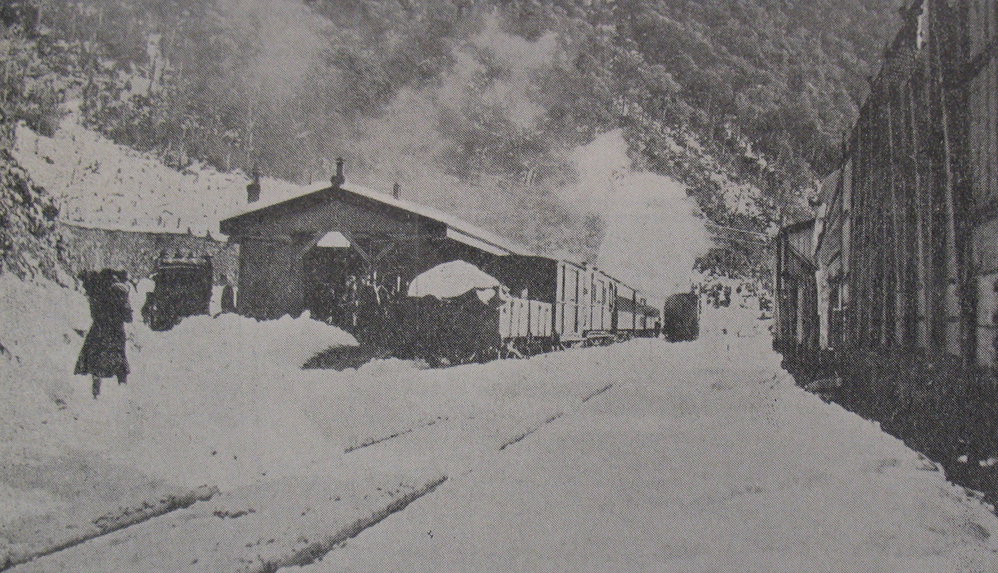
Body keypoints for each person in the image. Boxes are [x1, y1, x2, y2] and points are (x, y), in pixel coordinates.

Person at [75, 269, 133, 398]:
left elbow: (94, 312)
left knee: (95, 359)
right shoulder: (121, 291)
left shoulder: (96, 290)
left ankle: (96, 393)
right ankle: (123, 390)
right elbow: (128, 317)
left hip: (99, 329)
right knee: (119, 358)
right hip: (116, 330)